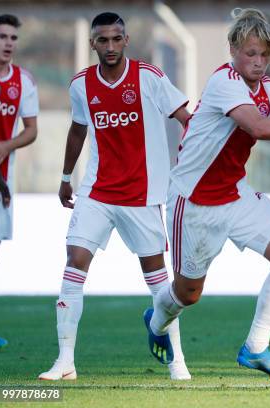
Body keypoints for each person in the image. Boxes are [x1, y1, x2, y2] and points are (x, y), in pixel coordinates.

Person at [143, 8, 270, 381]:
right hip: (193, 200)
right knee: (188, 295)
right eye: (249, 53)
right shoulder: (224, 82)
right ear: (233, 51)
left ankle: (255, 348)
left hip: (234, 194)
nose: (257, 62)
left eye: (263, 54)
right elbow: (257, 127)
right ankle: (157, 320)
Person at [39, 12, 192, 380]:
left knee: (158, 282)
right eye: (102, 40)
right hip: (97, 192)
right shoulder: (81, 85)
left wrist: (193, 159)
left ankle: (177, 361)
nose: (110, 46)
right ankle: (65, 361)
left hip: (143, 195)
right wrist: (65, 178)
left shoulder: (149, 77)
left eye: (116, 39)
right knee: (74, 262)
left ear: (126, 40)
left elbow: (186, 117)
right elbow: (78, 131)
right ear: (93, 43)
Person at [0, 14, 39, 350]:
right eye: (2, 37)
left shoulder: (23, 81)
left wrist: (7, 146)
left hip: (2, 178)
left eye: (13, 38)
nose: (8, 43)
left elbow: (31, 130)